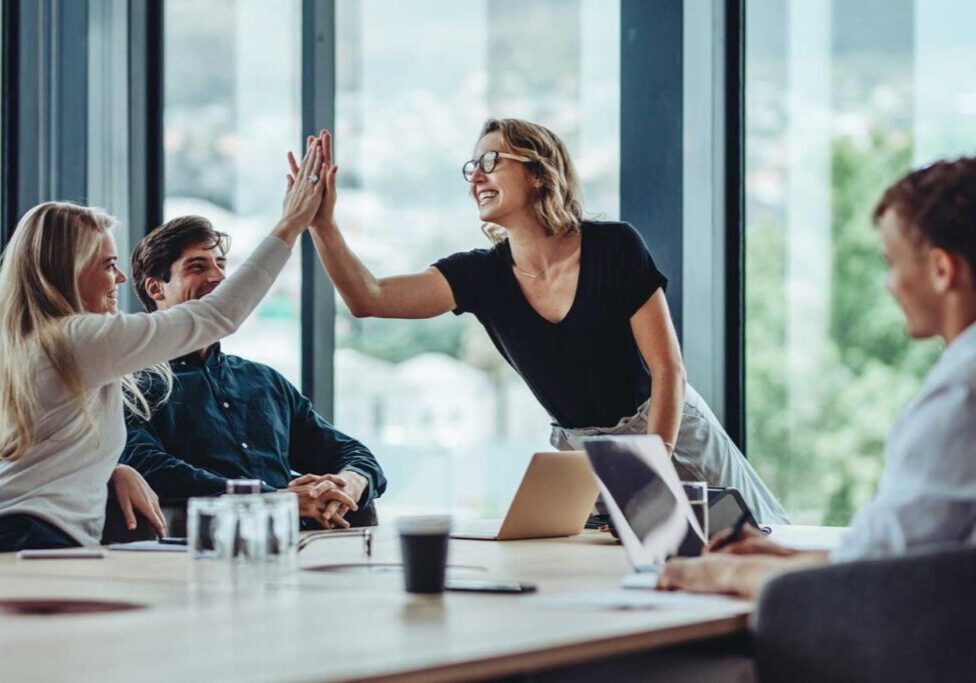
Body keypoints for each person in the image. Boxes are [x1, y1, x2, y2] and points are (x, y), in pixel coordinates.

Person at [289, 119, 789, 524]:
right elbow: (367, 297)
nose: (476, 176)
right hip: (581, 452)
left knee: (758, 543)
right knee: (612, 577)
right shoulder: (479, 275)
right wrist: (323, 225)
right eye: (471, 167)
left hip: (667, 427)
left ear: (539, 173)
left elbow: (668, 371)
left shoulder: (614, 246)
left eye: (491, 161)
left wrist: (647, 472)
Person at [658, 156, 976, 598]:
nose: (888, 285)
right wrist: (788, 558)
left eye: (892, 263)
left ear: (942, 270)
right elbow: (904, 549)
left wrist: (720, 575)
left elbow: (875, 577)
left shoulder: (963, 390)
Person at [0, 142, 325, 552]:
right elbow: (216, 316)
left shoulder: (31, 342)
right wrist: (289, 226)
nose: (119, 279)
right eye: (106, 264)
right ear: (67, 271)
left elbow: (45, 452)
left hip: (24, 533)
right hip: (38, 536)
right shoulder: (76, 339)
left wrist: (111, 469)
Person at [121, 215, 386, 529]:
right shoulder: (131, 385)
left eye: (221, 264)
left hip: (301, 550)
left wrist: (348, 483)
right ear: (156, 288)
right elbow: (148, 467)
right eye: (197, 266)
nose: (219, 278)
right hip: (201, 552)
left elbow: (351, 451)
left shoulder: (264, 381)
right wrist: (273, 499)